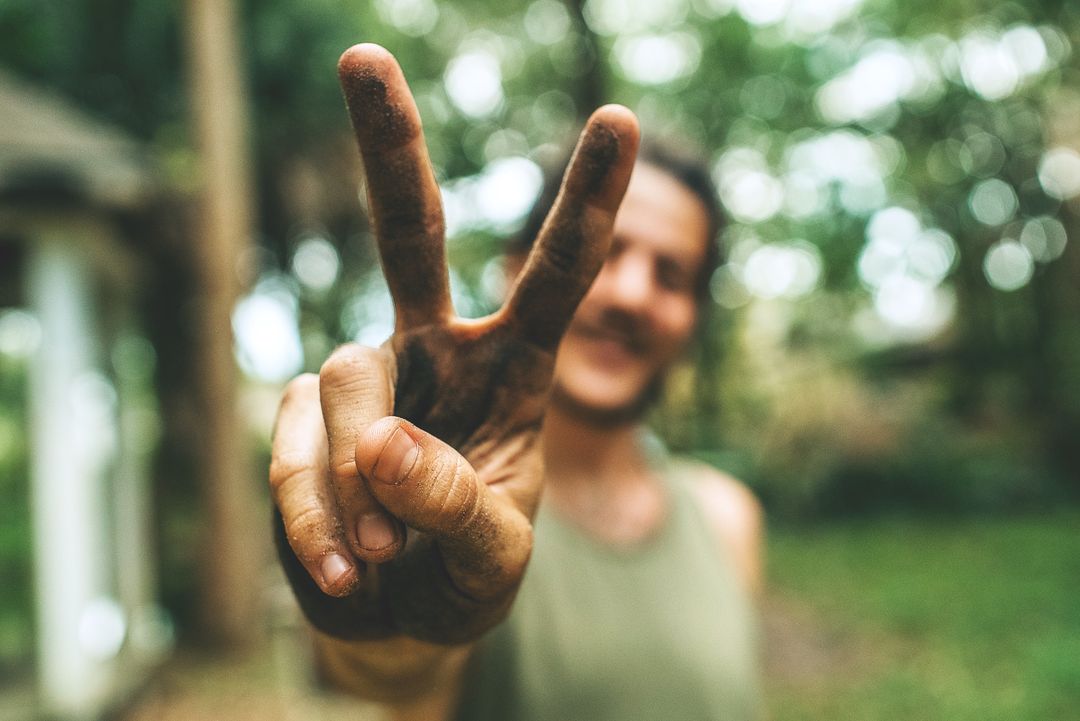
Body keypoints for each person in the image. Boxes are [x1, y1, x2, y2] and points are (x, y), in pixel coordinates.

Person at [270, 43, 763, 721]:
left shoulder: (728, 518)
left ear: (692, 320)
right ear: (516, 274)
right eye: (608, 253)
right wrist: (386, 598)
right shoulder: (441, 511)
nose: (632, 295)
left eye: (671, 275)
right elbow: (388, 682)